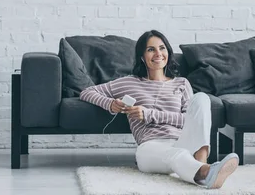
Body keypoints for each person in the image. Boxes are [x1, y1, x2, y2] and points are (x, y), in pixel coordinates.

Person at [80, 30, 239, 189]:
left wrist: (149, 114)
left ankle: (201, 162)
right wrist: (110, 103)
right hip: (150, 147)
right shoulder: (128, 82)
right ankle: (207, 172)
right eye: (151, 49)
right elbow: (87, 92)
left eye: (162, 48)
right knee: (177, 156)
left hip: (182, 141)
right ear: (142, 56)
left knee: (202, 98)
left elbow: (187, 119)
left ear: (168, 52)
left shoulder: (181, 83)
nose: (158, 53)